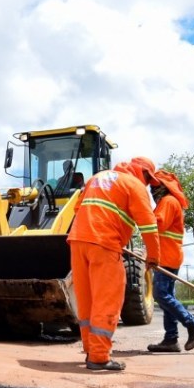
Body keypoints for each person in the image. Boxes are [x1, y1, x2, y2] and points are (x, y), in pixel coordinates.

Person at [68, 156, 162, 371]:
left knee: (87, 298)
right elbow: (148, 225)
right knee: (108, 298)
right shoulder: (135, 185)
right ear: (143, 173)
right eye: (149, 179)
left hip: (78, 240)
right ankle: (99, 357)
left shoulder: (97, 177)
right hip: (104, 243)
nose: (148, 184)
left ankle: (90, 349)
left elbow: (77, 210)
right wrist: (154, 257)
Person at [146, 169, 194, 353]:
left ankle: (193, 324)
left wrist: (139, 215)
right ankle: (171, 339)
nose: (152, 190)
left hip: (167, 256)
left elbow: (158, 223)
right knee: (167, 297)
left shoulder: (168, 201)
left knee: (161, 295)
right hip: (168, 255)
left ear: (163, 187)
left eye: (155, 186)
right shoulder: (168, 201)